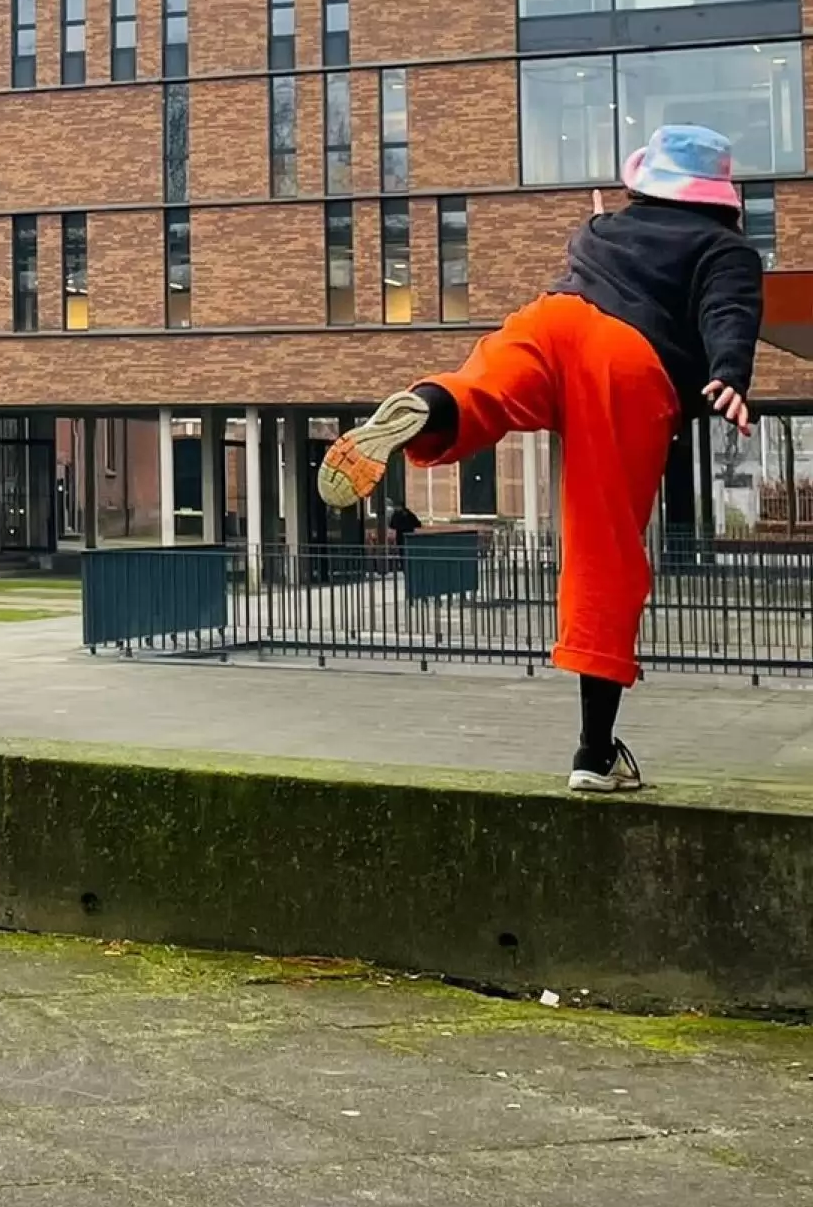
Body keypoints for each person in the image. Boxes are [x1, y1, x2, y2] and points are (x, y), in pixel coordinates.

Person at [317, 125, 761, 794]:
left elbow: (608, 263)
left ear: (644, 184)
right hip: (627, 361)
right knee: (603, 549)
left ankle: (429, 404)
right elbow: (727, 310)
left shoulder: (605, 229)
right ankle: (594, 751)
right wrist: (729, 371)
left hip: (554, 319)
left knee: (484, 389)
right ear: (720, 197)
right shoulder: (725, 248)